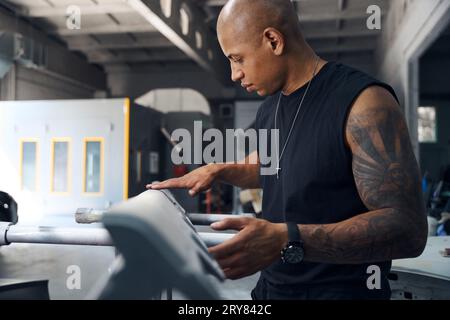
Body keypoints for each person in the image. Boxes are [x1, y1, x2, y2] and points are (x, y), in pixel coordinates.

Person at [148, 0, 427, 300]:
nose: (234, 74)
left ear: (273, 40)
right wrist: (221, 170)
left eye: (237, 58)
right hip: (271, 290)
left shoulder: (364, 102)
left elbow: (406, 228)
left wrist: (289, 239)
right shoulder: (270, 107)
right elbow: (281, 164)